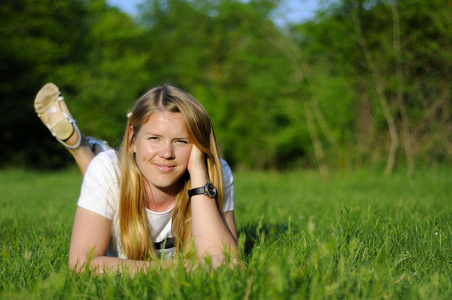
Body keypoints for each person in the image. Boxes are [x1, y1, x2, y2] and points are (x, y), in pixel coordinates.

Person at [34, 83, 238, 273]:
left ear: (197, 146)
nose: (167, 153)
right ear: (132, 138)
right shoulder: (107, 169)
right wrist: (175, 268)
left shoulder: (214, 172)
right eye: (154, 138)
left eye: (181, 141)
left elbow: (225, 262)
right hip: (114, 169)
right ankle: (84, 149)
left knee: (113, 174)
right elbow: (82, 264)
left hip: (129, 166)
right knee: (110, 172)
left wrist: (199, 175)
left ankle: (88, 148)